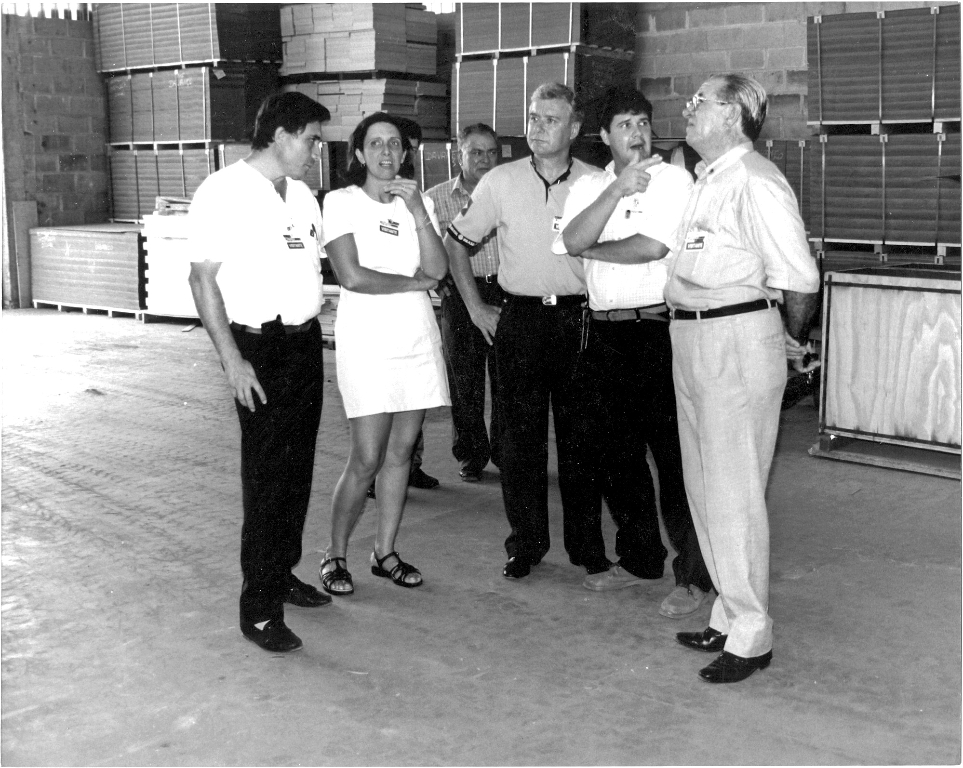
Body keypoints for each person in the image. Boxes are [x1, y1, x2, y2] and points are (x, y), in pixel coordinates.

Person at [666, 74, 819, 683]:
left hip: (734, 336)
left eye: (700, 102)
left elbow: (800, 278)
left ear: (734, 115)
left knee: (733, 492)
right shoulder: (711, 178)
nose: (688, 109)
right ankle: (727, 614)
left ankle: (752, 635)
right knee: (705, 488)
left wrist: (791, 340)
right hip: (694, 335)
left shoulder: (756, 180)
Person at [555, 85, 715, 617]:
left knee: (673, 458)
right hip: (602, 334)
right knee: (615, 456)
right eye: (625, 125)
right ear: (604, 136)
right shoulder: (589, 186)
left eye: (643, 123)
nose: (637, 133)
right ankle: (641, 556)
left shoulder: (675, 179)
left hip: (655, 333)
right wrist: (616, 191)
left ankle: (693, 575)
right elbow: (571, 238)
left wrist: (594, 249)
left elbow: (652, 246)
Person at [187, 92, 332, 654]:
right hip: (258, 350)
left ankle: (283, 573)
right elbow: (202, 281)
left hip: (303, 345)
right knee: (267, 479)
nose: (317, 151)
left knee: (296, 471)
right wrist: (232, 361)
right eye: (312, 139)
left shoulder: (301, 195)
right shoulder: (223, 192)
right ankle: (259, 607)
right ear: (281, 135)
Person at [447, 82, 607, 579]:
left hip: (580, 320)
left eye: (550, 120)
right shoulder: (500, 181)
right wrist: (474, 308)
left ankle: (585, 546)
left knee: (581, 441)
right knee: (519, 442)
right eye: (533, 118)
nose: (537, 128)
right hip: (520, 321)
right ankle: (526, 544)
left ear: (575, 128)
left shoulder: (598, 183)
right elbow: (457, 243)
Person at [318, 113, 449, 597]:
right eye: (375, 144)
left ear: (405, 151)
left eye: (394, 143)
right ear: (359, 154)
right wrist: (414, 283)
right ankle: (335, 555)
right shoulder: (340, 202)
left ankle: (384, 551)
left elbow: (437, 269)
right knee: (366, 458)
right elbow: (352, 276)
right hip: (367, 340)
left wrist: (417, 212)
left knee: (400, 455)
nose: (386, 152)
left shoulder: (418, 203)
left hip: (414, 336)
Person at [426, 123, 503, 483]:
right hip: (460, 296)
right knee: (464, 382)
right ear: (459, 154)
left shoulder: (510, 193)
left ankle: (506, 453)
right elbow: (425, 251)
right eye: (476, 152)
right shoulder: (436, 198)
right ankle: (472, 453)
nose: (485, 159)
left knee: (509, 380)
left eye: (491, 152)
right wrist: (443, 284)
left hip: (506, 294)